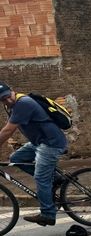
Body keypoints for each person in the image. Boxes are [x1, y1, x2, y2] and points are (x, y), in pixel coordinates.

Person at [0, 81, 68, 226]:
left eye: (7, 96)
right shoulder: (11, 106)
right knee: (16, 158)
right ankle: (56, 179)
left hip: (51, 143)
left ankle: (48, 214)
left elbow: (8, 130)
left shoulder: (23, 103)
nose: (7, 100)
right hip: (39, 142)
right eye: (2, 99)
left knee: (41, 177)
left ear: (12, 91)